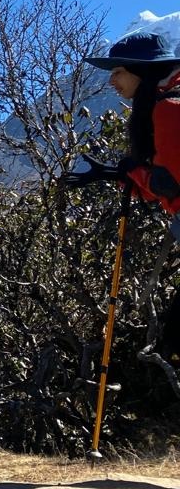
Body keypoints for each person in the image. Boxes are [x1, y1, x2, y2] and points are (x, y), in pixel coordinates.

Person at [61, 30, 180, 364]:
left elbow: (168, 183)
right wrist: (121, 173)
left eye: (117, 72)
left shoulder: (167, 110)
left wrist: (127, 172)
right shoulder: (166, 102)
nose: (112, 81)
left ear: (139, 71)